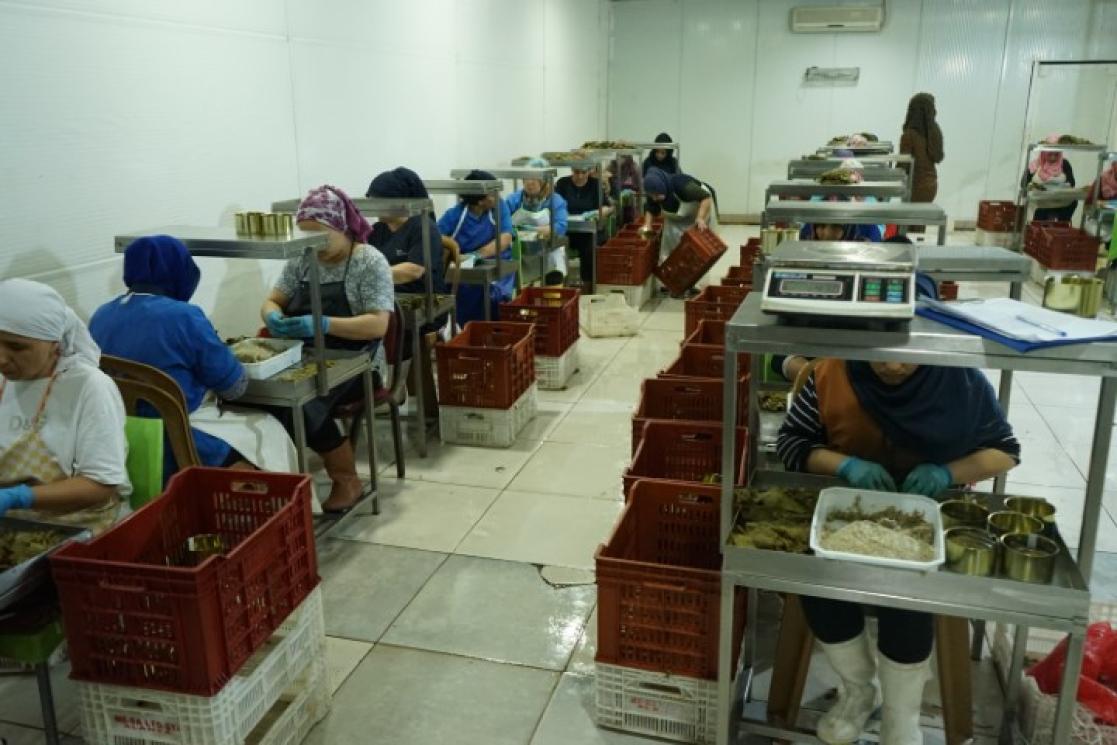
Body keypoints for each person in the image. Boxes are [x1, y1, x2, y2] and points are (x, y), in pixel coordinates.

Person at [777, 358, 1019, 745]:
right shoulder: (830, 373)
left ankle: (901, 716)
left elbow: (1005, 450)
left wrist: (947, 473)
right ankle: (858, 691)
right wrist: (846, 465)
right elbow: (791, 444)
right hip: (845, 515)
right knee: (820, 581)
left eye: (905, 357)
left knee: (908, 593)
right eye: (879, 355)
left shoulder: (961, 379)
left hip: (927, 517)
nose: (891, 366)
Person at [90, 235, 297, 481]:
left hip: (118, 437)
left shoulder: (101, 316)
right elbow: (234, 388)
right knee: (270, 429)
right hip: (177, 439)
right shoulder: (184, 316)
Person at [260, 185, 394, 513]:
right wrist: (272, 316)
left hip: (359, 360)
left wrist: (323, 324)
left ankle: (346, 479)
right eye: (304, 235)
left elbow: (378, 325)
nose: (312, 243)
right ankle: (275, 482)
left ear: (342, 228)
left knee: (305, 402)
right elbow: (273, 300)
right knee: (263, 396)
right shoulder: (301, 260)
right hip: (307, 353)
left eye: (319, 235)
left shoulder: (369, 261)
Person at [0, 279, 130, 533]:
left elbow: (100, 485)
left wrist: (19, 497)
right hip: (10, 523)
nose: (2, 359)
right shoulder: (4, 380)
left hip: (74, 526)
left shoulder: (88, 387)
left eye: (17, 346)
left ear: (54, 343)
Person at [436, 170, 515, 324]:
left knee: (495, 299)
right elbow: (434, 235)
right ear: (480, 201)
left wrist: (477, 255)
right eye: (492, 193)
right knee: (464, 299)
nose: (497, 196)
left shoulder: (499, 206)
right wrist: (453, 251)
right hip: (466, 269)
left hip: (498, 264)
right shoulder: (455, 215)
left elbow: (505, 238)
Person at [366, 167, 446, 297]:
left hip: (421, 299)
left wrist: (368, 276)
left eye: (377, 201)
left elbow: (413, 271)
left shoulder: (423, 228)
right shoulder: (376, 230)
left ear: (400, 202)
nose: (373, 207)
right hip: (387, 297)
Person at [642, 166, 719, 293]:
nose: (654, 198)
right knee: (669, 246)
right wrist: (647, 226)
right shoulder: (653, 192)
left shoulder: (682, 186)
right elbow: (650, 208)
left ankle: (696, 285)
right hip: (676, 217)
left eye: (657, 195)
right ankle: (669, 282)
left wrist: (700, 218)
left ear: (663, 188)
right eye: (652, 196)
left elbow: (705, 198)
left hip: (698, 211)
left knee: (696, 250)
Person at [506, 159, 570, 286]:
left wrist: (547, 230)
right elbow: (502, 223)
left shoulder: (555, 200)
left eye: (534, 179)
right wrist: (515, 232)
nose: (530, 183)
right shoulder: (514, 200)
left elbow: (561, 225)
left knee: (552, 284)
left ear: (545, 181)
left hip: (547, 252)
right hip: (521, 252)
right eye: (526, 178)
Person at [556, 163, 614, 287]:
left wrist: (599, 213)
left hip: (589, 231)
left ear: (589, 171)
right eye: (577, 172)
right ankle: (560, 284)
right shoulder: (562, 184)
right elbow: (555, 204)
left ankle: (588, 283)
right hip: (568, 230)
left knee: (590, 248)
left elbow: (608, 207)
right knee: (556, 246)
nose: (580, 176)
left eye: (584, 173)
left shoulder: (595, 185)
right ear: (572, 170)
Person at [900, 92, 944, 205]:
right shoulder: (935, 131)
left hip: (914, 186)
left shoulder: (909, 135)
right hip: (931, 185)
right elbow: (938, 157)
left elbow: (903, 166)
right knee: (919, 215)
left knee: (908, 216)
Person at [1023, 135, 1077, 223]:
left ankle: (1061, 226)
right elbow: (1023, 183)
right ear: (1044, 152)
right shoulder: (1035, 165)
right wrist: (1033, 187)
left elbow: (1072, 183)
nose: (1053, 157)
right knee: (1041, 209)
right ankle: (1037, 227)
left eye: (1056, 154)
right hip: (1040, 201)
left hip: (1058, 201)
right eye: (1050, 154)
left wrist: (1061, 188)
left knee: (1073, 202)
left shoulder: (1065, 164)